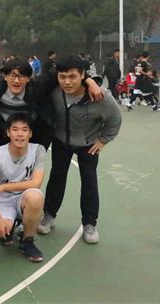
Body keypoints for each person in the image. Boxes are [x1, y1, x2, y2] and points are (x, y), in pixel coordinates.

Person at [38, 56, 122, 244]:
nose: (67, 82)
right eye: (62, 77)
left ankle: (90, 224)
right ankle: (49, 215)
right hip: (61, 140)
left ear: (83, 75)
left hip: (88, 144)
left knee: (89, 181)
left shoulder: (100, 96)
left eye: (72, 77)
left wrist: (103, 140)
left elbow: (115, 119)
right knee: (57, 176)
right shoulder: (54, 92)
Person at [0, 59, 103, 150]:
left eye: (22, 76)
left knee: (31, 173)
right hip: (2, 136)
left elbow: (65, 68)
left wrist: (90, 81)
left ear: (29, 78)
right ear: (5, 77)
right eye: (12, 75)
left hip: (33, 137)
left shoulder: (38, 87)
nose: (17, 80)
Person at [0, 113, 46, 262]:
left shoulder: (38, 150)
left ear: (30, 133)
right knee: (0, 230)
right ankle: (12, 224)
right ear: (8, 133)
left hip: (23, 197)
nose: (20, 134)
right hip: (3, 200)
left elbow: (36, 183)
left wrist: (4, 186)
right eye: (15, 129)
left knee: (36, 196)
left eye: (24, 130)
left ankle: (28, 240)